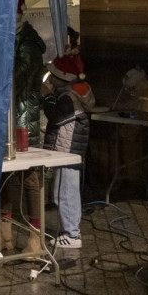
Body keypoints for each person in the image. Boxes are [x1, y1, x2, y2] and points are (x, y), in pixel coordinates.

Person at [0, 0, 46, 253]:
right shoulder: (13, 39)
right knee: (4, 177)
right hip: (7, 119)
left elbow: (14, 80)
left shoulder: (28, 43)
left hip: (23, 121)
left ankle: (34, 239)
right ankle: (5, 236)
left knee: (30, 179)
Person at [42, 54, 94, 249]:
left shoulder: (68, 97)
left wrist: (46, 95)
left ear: (61, 76)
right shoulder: (74, 92)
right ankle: (71, 232)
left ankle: (72, 235)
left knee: (65, 193)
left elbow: (54, 117)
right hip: (70, 149)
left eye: (51, 73)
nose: (48, 76)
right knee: (65, 191)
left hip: (68, 150)